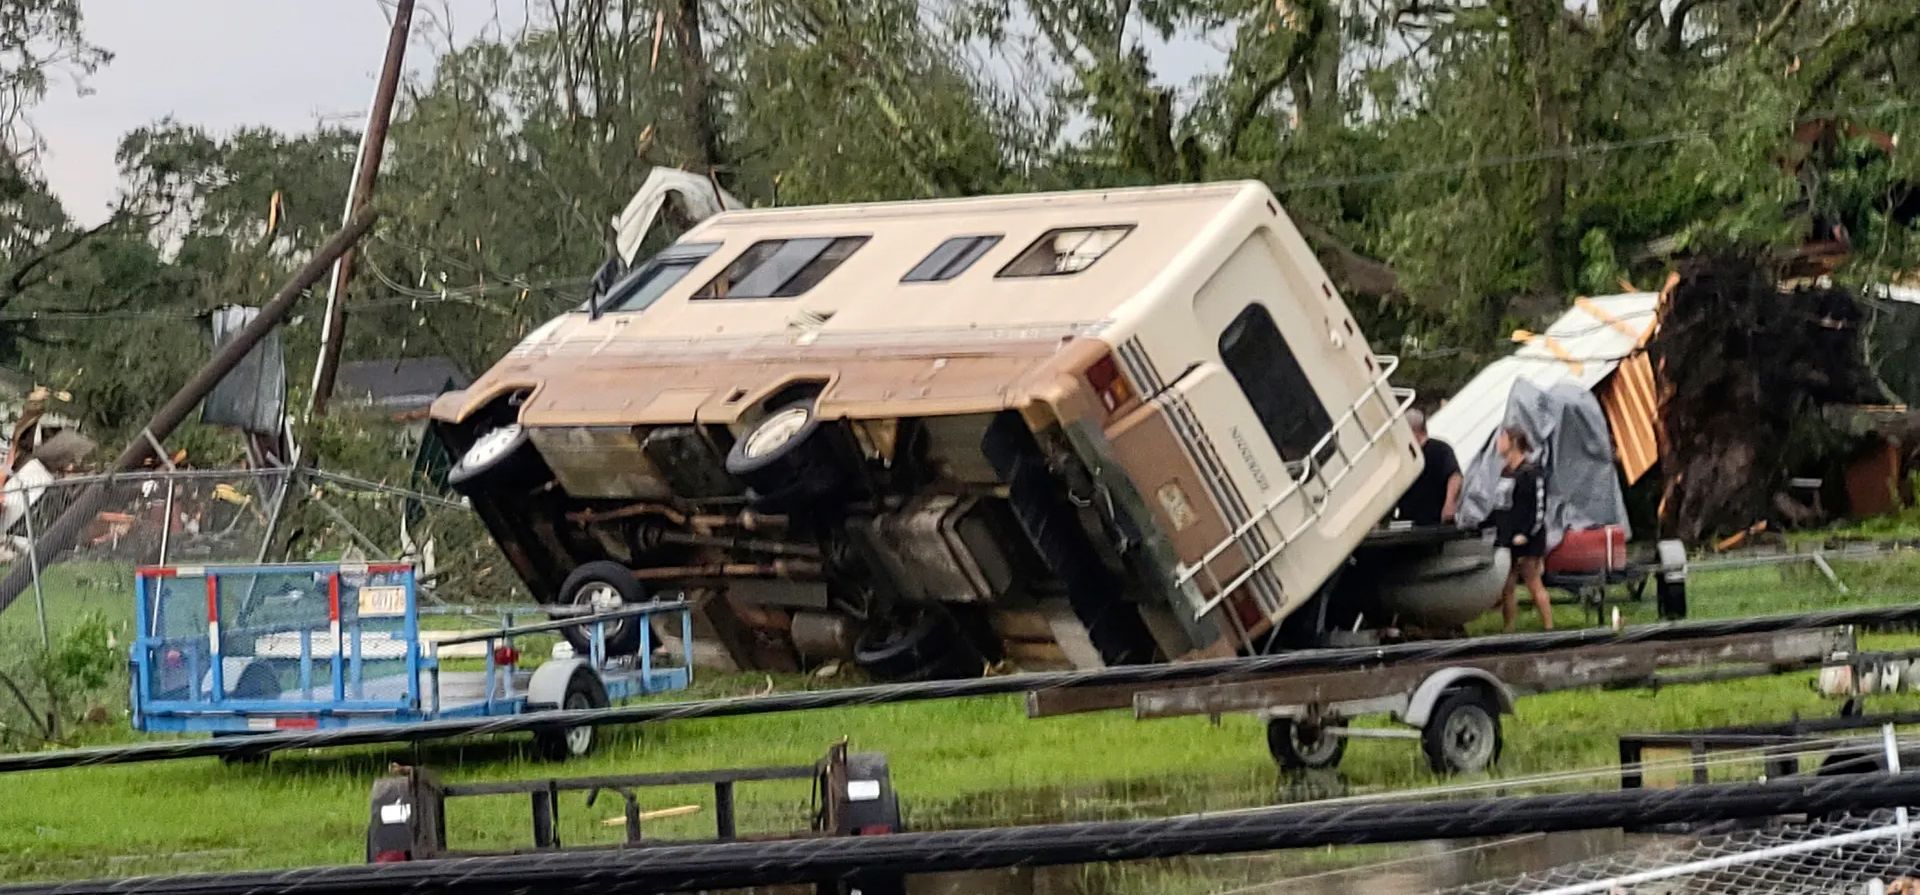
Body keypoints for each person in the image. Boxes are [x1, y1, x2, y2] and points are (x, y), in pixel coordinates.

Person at [1493, 425, 1553, 632]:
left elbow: (1539, 507)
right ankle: (1508, 627)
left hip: (1529, 536)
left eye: (1502, 439)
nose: (1498, 444)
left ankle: (1549, 626)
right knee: (1506, 585)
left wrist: (1527, 534)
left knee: (1532, 581)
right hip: (1508, 536)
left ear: (1514, 442)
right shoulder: (1505, 472)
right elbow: (1501, 505)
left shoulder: (1531, 472)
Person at [1394, 409, 1462, 526]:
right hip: (1407, 521)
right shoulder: (1403, 454)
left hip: (1435, 520)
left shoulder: (1440, 450)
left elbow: (1455, 476)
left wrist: (1449, 504)